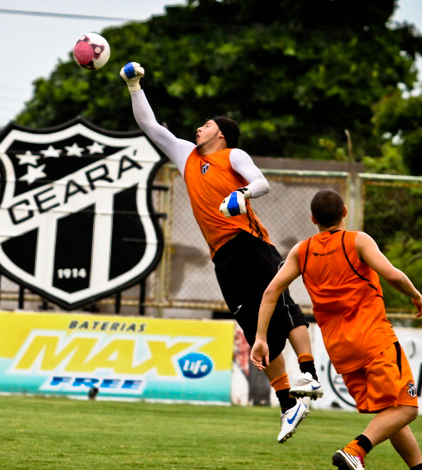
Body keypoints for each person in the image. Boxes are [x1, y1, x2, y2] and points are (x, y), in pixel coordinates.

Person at [120, 62, 322, 443]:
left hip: (250, 242)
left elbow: (261, 182)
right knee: (253, 327)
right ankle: (288, 405)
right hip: (223, 258)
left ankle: (309, 374)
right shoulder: (187, 156)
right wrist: (134, 86)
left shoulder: (232, 156)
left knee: (281, 305)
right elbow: (150, 126)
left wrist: (241, 195)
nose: (199, 128)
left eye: (206, 124)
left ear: (221, 134)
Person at [249, 189, 422, 470]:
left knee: (390, 411)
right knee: (406, 408)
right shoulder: (357, 241)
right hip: (373, 338)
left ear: (313, 219)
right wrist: (417, 296)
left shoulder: (302, 251)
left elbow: (271, 291)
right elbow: (392, 275)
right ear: (345, 213)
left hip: (339, 348)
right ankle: (355, 451)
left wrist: (260, 338)